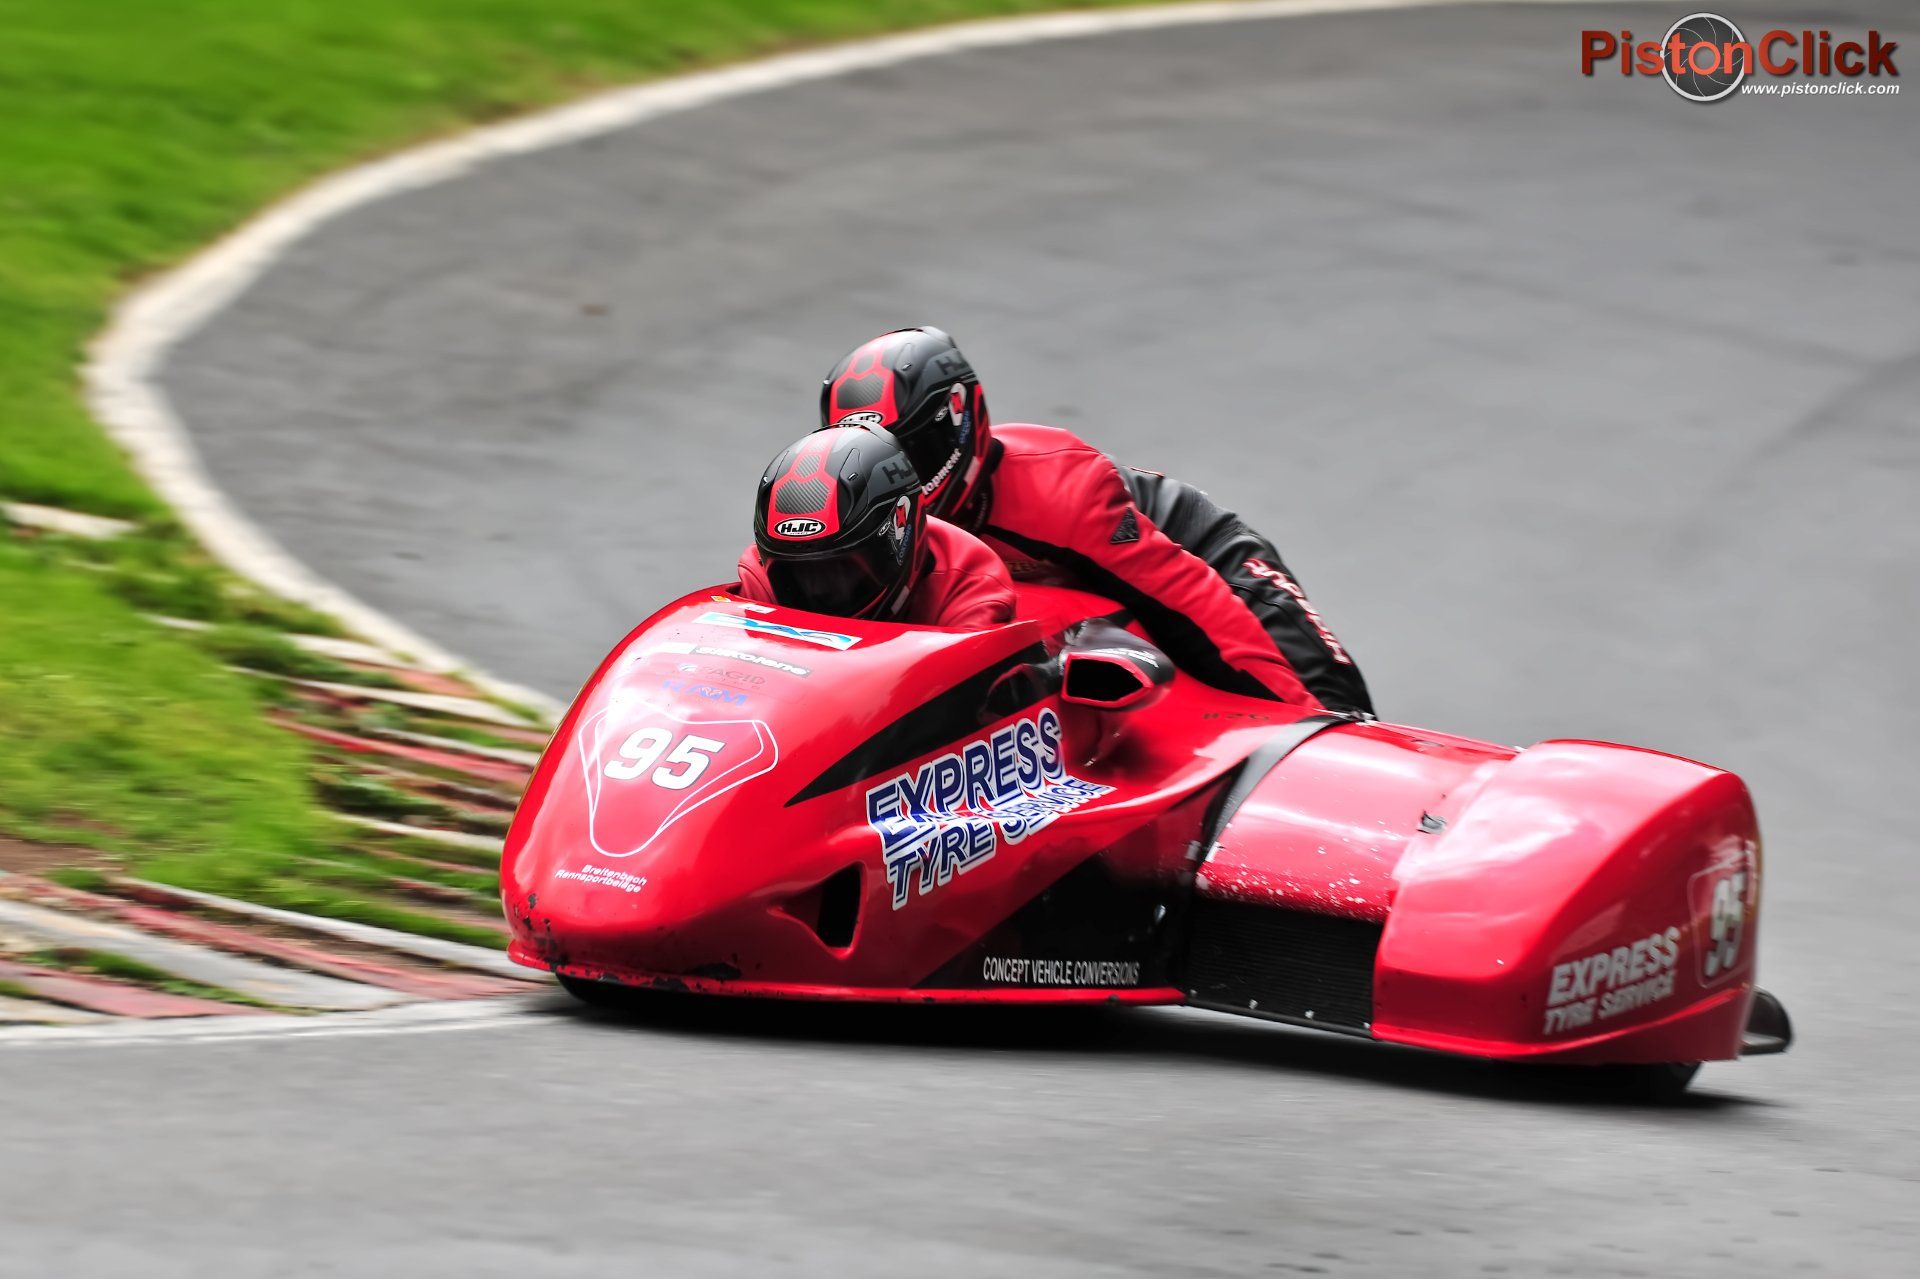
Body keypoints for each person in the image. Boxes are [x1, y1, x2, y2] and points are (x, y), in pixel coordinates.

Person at [818, 327, 1373, 713]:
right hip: (1081, 600)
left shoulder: (1060, 494)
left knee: (1331, 714)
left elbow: (1192, 602)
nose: (891, 472)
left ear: (958, 419)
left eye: (908, 450)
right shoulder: (850, 507)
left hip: (1205, 565)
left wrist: (1308, 724)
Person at [736, 425, 1015, 629]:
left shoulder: (971, 590)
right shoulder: (760, 575)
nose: (820, 593)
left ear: (899, 534)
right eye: (799, 575)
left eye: (840, 569)